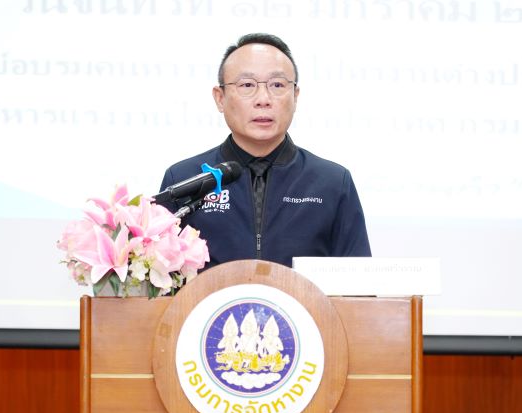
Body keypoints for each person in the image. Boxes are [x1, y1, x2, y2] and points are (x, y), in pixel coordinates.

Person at [159, 33, 371, 269]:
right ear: (220, 98)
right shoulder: (183, 179)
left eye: (277, 85)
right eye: (247, 85)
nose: (263, 99)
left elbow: (358, 280)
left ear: (295, 96)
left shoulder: (333, 182)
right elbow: (161, 277)